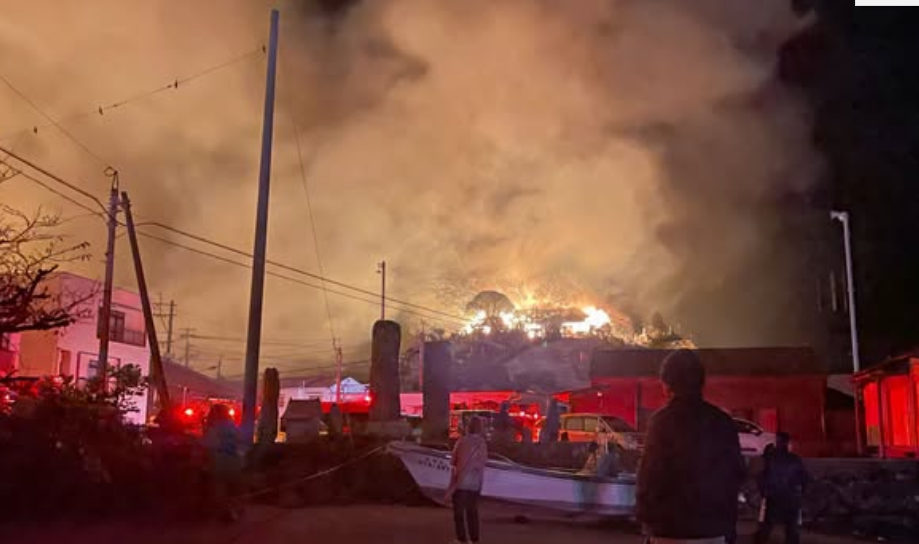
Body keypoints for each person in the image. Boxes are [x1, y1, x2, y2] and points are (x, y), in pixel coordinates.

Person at [637, 350, 746, 544]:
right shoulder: (722, 421)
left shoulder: (662, 422)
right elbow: (736, 473)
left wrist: (647, 519)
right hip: (713, 529)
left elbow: (649, 476)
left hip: (669, 529)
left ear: (667, 384)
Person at [755, 433, 808, 544]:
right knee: (791, 528)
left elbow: (762, 477)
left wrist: (764, 492)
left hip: (774, 496)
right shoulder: (794, 459)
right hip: (791, 497)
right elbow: (804, 478)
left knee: (767, 526)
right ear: (787, 443)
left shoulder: (770, 459)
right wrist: (801, 493)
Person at [446, 416, 488, 544]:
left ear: (468, 427)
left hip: (461, 482)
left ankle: (461, 539)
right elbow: (483, 462)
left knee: (459, 513)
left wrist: (451, 485)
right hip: (475, 483)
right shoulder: (482, 443)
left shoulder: (462, 441)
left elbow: (453, 461)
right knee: (472, 512)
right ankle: (475, 539)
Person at [202, 404, 244, 521]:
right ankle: (235, 509)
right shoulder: (233, 426)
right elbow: (240, 443)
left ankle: (225, 511)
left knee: (220, 486)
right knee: (233, 487)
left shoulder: (214, 427)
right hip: (235, 460)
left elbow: (209, 444)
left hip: (219, 459)